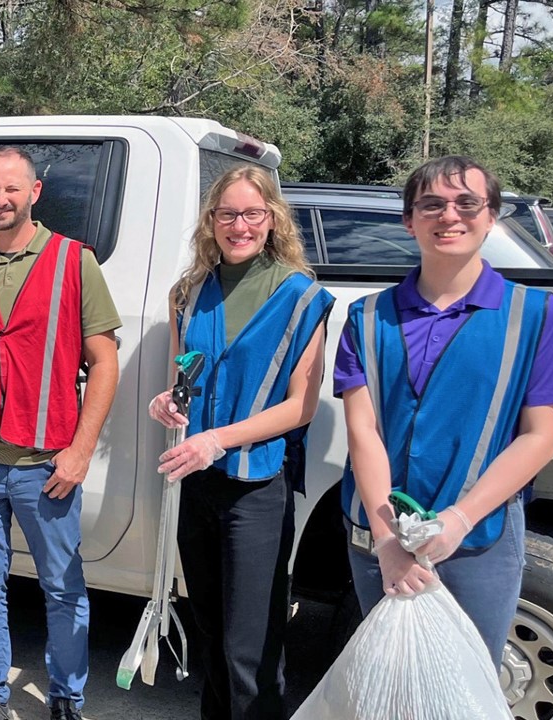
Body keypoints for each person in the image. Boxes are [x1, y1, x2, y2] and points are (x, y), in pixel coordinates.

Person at [335, 156, 553, 665]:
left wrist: (461, 519)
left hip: (478, 541)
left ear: (491, 217)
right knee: (391, 682)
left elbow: (540, 436)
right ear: (408, 220)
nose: (449, 216)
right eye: (431, 205)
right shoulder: (367, 316)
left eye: (467, 203)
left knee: (469, 681)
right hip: (380, 539)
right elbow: (363, 431)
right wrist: (387, 541)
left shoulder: (537, 315)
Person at [0, 147, 121, 720]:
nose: (1, 199)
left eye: (12, 188)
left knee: (63, 587)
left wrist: (80, 451)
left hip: (46, 464)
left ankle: (66, 698)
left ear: (35, 192)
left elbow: (104, 362)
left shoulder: (74, 263)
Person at [149, 165, 334, 719]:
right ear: (211, 221)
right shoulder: (187, 293)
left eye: (253, 213)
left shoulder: (302, 296)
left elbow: (301, 405)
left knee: (249, 648)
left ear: (273, 219)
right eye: (227, 214)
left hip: (256, 489)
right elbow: (182, 379)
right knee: (209, 632)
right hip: (196, 483)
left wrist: (217, 439)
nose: (240, 226)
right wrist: (168, 403)